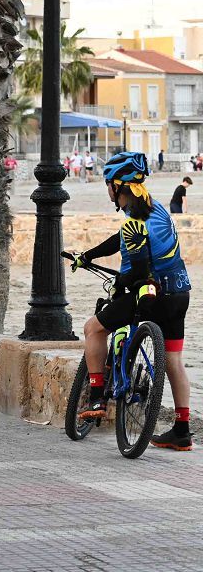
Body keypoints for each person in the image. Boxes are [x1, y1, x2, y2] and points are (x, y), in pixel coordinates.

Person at [72, 152, 192, 449]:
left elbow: (138, 269)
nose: (107, 190)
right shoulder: (156, 208)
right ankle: (182, 430)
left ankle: (98, 396)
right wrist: (89, 255)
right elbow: (122, 238)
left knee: (94, 329)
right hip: (180, 292)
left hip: (152, 295)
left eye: (107, 184)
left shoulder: (132, 223)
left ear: (116, 186)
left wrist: (121, 281)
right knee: (174, 359)